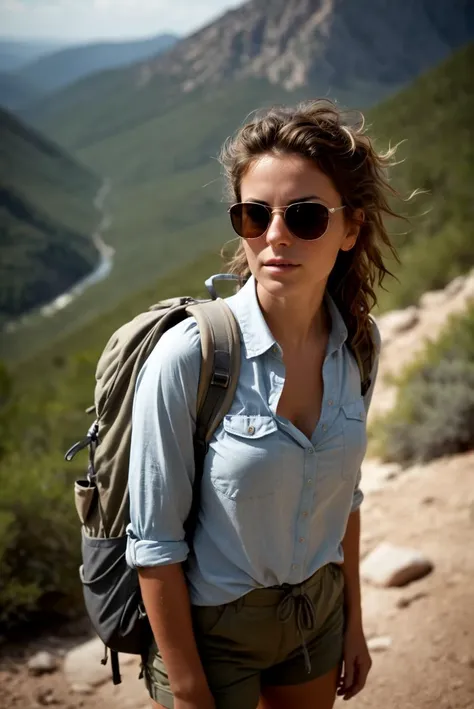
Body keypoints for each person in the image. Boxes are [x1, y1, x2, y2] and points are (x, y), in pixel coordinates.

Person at [126, 98, 400, 709]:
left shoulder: (359, 345)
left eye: (303, 216)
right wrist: (190, 687)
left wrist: (352, 621)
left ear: (350, 228)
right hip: (211, 631)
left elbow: (344, 497)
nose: (274, 235)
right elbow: (154, 543)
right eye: (255, 215)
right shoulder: (189, 359)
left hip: (317, 616)